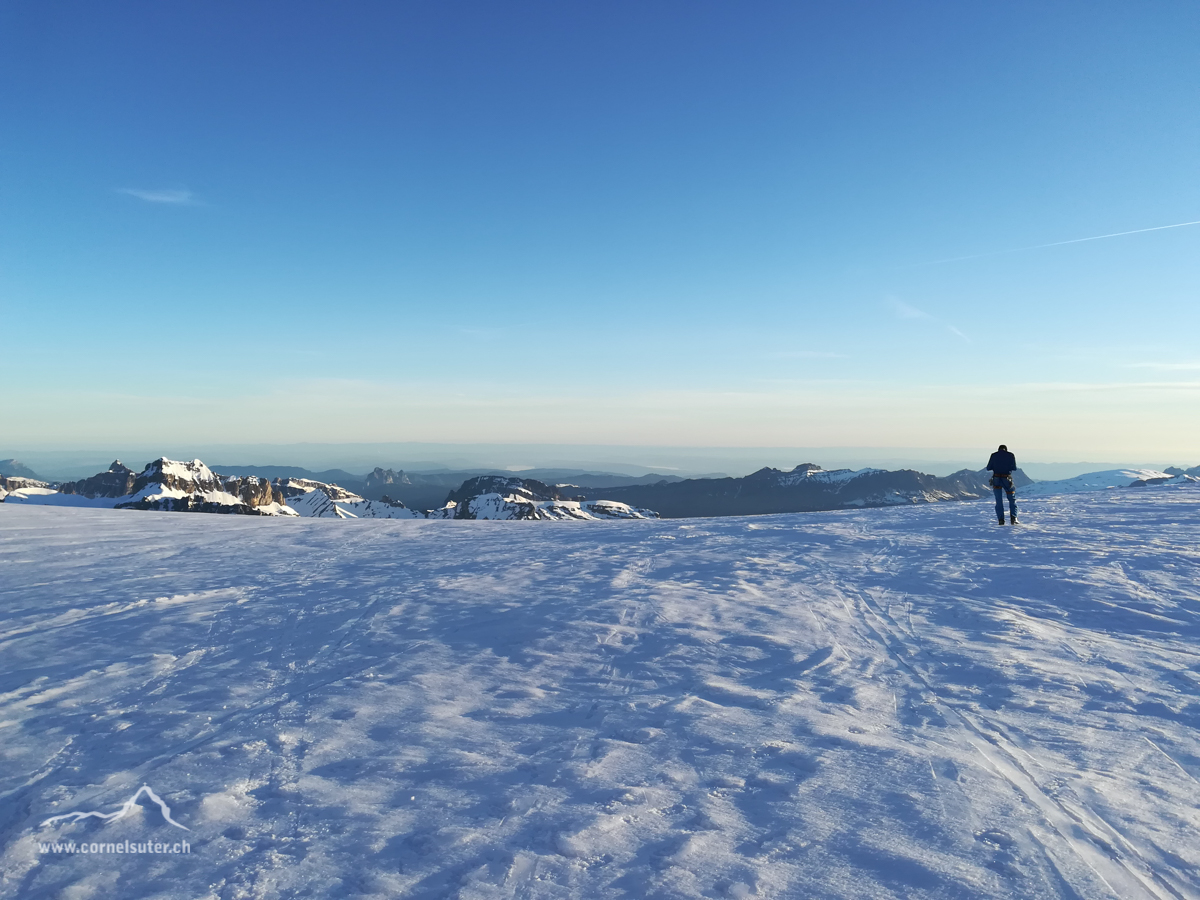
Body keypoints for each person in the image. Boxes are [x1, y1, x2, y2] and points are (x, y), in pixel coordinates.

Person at [986, 444, 1018, 524]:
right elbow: (1014, 468)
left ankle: (1001, 520)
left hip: (996, 479)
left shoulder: (994, 455)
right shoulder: (1010, 455)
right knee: (1012, 499)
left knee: (999, 500)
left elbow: (988, 467)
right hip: (1007, 478)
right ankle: (1013, 518)